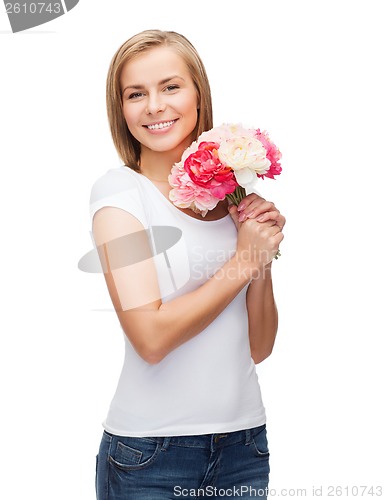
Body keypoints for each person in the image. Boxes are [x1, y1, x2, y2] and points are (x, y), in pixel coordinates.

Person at [90, 29, 285, 500]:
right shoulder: (119, 195)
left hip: (244, 446)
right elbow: (151, 338)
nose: (155, 105)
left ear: (199, 95)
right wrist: (243, 261)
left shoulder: (232, 201)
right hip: (149, 457)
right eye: (136, 94)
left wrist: (259, 255)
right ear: (122, 111)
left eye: (171, 86)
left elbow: (259, 346)